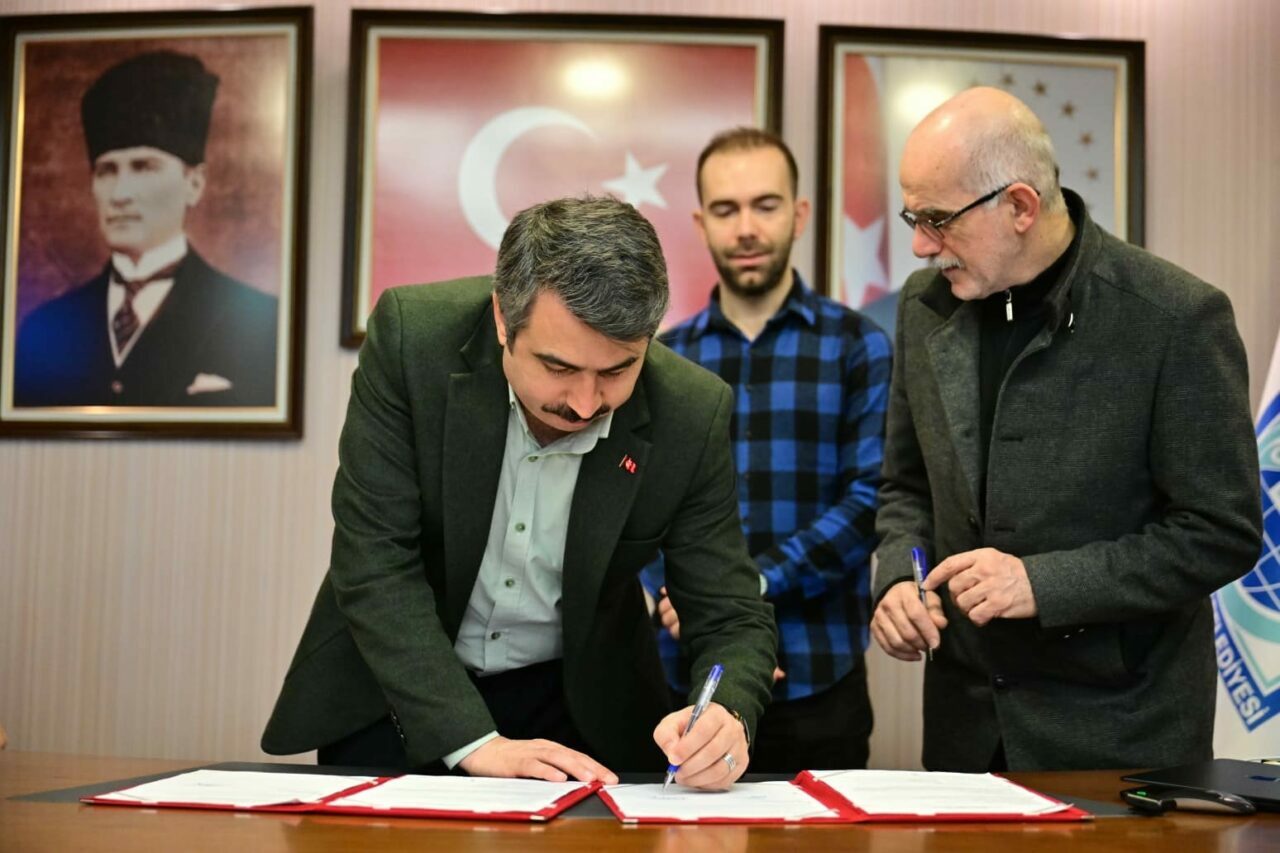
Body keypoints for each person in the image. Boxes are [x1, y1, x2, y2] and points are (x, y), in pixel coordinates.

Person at [262, 196, 776, 788]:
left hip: (577, 704)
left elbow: (729, 611)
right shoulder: (413, 341)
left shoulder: (690, 411)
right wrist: (473, 741)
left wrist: (728, 714)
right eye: (559, 368)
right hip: (399, 686)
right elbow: (375, 562)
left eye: (616, 372)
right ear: (503, 319)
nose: (585, 404)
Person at [870, 87, 1262, 771]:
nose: (920, 245)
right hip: (965, 734)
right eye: (913, 216)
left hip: (1120, 738)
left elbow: (1220, 531)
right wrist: (902, 578)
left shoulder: (1175, 318)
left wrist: (1043, 584)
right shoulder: (922, 308)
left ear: (1020, 207)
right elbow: (907, 485)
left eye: (937, 220)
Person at [641, 128, 890, 772]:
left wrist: (746, 588)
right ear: (701, 224)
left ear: (799, 215)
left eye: (766, 205)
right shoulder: (661, 359)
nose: (746, 228)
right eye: (726, 210)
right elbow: (635, 501)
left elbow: (870, 500)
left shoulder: (859, 346)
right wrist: (680, 596)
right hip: (684, 675)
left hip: (819, 674)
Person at [13, 50, 277, 408]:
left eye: (144, 167)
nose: (120, 194)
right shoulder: (46, 326)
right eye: (107, 171)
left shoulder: (263, 323)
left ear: (194, 184)